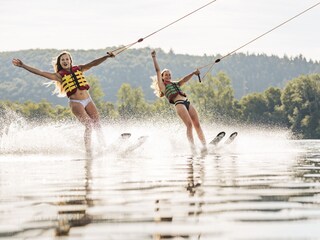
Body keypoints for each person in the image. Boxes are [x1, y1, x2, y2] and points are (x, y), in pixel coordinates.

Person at [12, 51, 115, 155]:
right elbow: (40, 72)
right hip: (76, 103)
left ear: (70, 61)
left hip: (88, 100)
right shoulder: (59, 76)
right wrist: (23, 65)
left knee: (97, 123)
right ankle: (88, 151)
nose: (65, 61)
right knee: (89, 125)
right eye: (62, 60)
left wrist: (107, 57)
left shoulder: (79, 68)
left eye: (67, 59)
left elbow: (93, 63)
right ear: (60, 63)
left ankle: (104, 146)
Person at [150, 50, 207, 153]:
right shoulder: (162, 86)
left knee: (197, 124)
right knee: (189, 125)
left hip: (187, 102)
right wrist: (154, 57)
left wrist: (194, 73)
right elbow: (158, 70)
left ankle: (204, 145)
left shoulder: (175, 84)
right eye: (166, 75)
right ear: (162, 77)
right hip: (179, 104)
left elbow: (184, 80)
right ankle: (192, 148)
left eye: (169, 75)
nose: (168, 76)